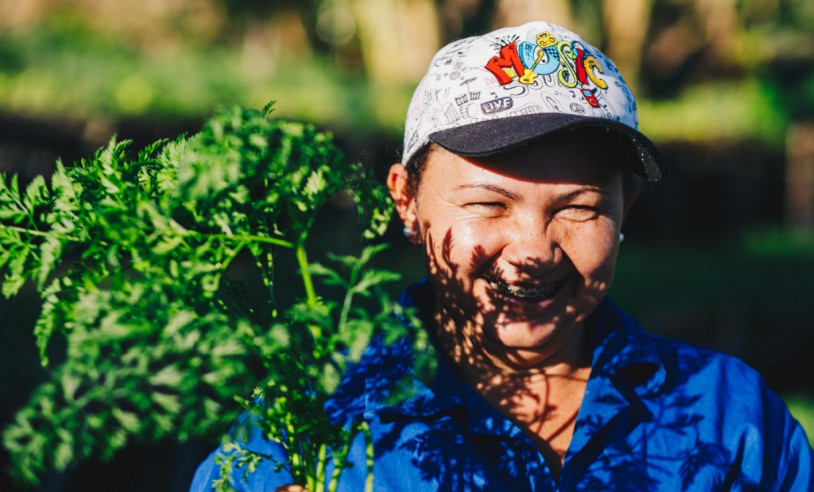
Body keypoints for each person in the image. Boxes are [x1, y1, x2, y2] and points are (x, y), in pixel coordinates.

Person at [191, 21, 813, 491]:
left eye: (578, 207)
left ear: (629, 211)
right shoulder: (308, 422)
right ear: (406, 202)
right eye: (489, 204)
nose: (533, 252)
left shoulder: (735, 421)